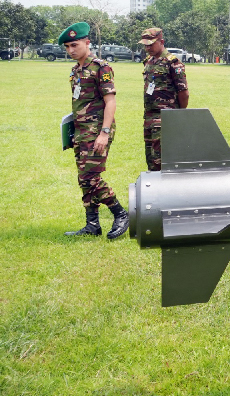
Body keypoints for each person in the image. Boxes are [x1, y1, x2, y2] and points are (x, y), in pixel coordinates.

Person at [59, 22, 130, 239]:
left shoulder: (101, 67)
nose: (71, 50)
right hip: (81, 131)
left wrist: (104, 133)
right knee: (84, 179)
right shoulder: (76, 70)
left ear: (87, 42)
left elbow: (111, 102)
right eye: (67, 46)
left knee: (90, 177)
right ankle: (92, 225)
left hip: (97, 130)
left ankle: (120, 213)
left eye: (75, 45)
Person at [139, 27, 189, 171]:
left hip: (166, 118)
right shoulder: (148, 61)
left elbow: (183, 92)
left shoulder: (172, 62)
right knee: (150, 159)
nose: (147, 48)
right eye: (145, 45)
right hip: (149, 117)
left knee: (162, 161)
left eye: (151, 44)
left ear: (162, 42)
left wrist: (177, 114)